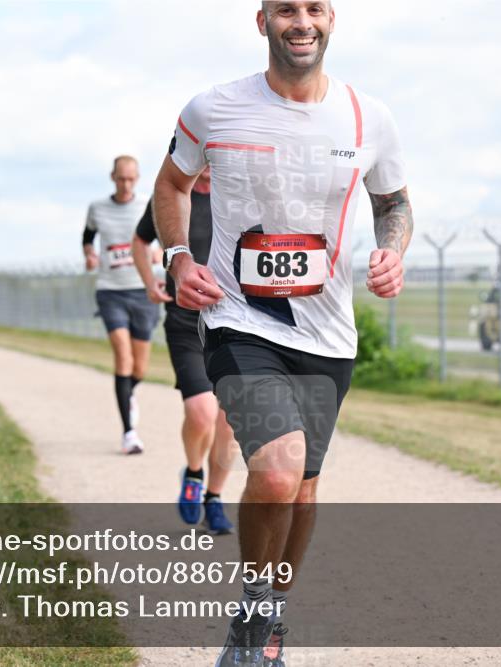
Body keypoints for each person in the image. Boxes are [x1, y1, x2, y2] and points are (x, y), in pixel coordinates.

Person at [153, 2, 412, 664]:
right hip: (240, 318)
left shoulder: (368, 116)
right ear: (262, 19)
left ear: (332, 19)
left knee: (302, 491)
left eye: (315, 8)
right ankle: (253, 614)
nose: (303, 21)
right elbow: (173, 183)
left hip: (328, 332)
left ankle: (267, 617)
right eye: (287, 8)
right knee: (276, 470)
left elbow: (394, 202)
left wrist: (393, 249)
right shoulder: (213, 108)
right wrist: (179, 256)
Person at [132, 166, 237, 535]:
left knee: (231, 422)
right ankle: (194, 473)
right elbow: (140, 241)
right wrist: (150, 283)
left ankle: (215, 497)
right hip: (185, 321)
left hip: (236, 322)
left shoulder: (239, 194)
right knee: (201, 412)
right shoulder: (172, 197)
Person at [83, 155, 156, 455]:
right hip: (110, 291)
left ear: (137, 178)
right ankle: (129, 433)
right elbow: (87, 236)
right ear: (112, 177)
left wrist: (158, 253)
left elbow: (163, 240)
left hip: (142, 291)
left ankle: (130, 391)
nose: (125, 184)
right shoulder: (97, 208)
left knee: (140, 366)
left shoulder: (147, 206)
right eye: (120, 178)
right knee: (123, 359)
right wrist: (89, 254)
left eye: (131, 178)